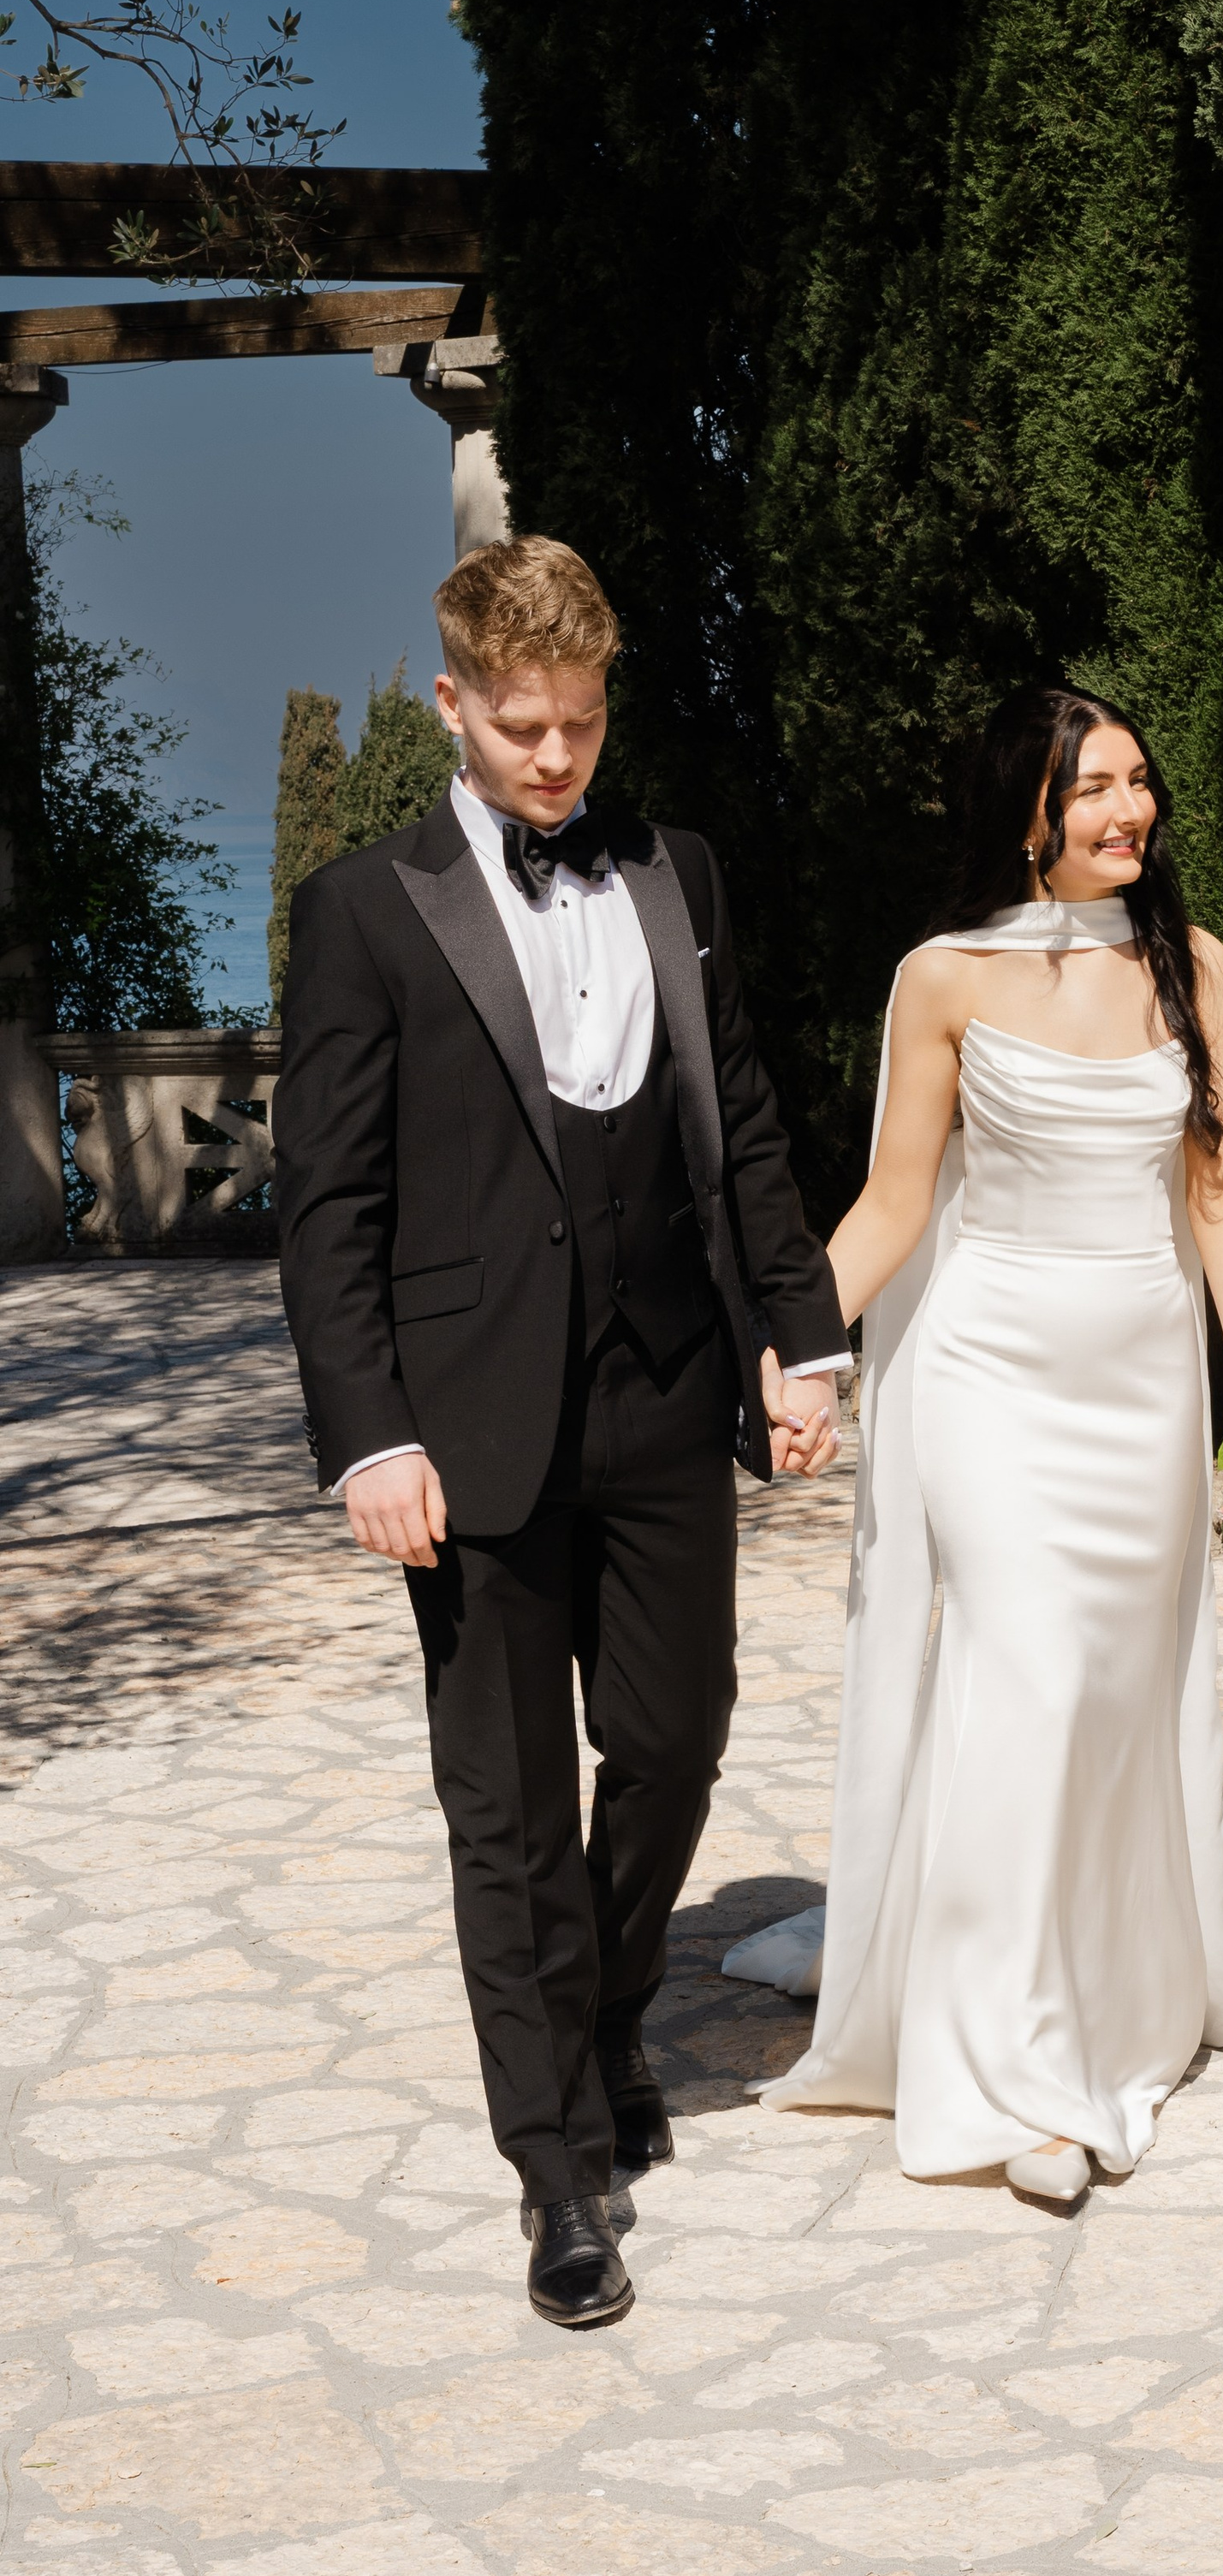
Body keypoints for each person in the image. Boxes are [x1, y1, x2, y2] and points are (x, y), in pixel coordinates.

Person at [274, 535, 846, 2330]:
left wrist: (800, 1337)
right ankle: (558, 2170)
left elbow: (738, 1114)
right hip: (467, 1425)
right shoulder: (365, 907)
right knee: (507, 1810)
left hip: (664, 1386)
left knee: (675, 1743)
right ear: (455, 704)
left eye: (581, 726)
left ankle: (601, 2015)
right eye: (521, 727)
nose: (553, 759)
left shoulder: (676, 871)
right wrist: (369, 1436)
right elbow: (327, 1203)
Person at [749, 684, 1223, 2201]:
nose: (1131, 809)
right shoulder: (944, 978)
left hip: (1144, 1383)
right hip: (989, 1373)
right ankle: (1023, 2079)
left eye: (1138, 780)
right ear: (1027, 814)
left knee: (1108, 1697)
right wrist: (797, 1354)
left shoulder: (1193, 966)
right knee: (1028, 1673)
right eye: (1094, 786)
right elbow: (894, 1202)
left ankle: (1098, 1990)